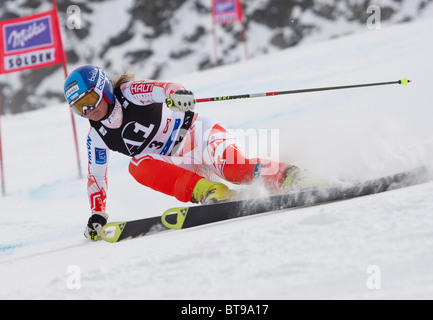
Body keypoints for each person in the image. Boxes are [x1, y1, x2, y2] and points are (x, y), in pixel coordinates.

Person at [63, 65, 307, 241]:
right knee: (137, 165)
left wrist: (177, 96)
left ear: (104, 88)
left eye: (91, 99)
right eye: (78, 107)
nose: (87, 111)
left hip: (197, 135)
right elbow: (96, 177)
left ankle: (289, 175)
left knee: (234, 169)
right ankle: (212, 191)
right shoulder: (96, 137)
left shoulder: (129, 92)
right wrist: (97, 213)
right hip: (177, 163)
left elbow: (165, 88)